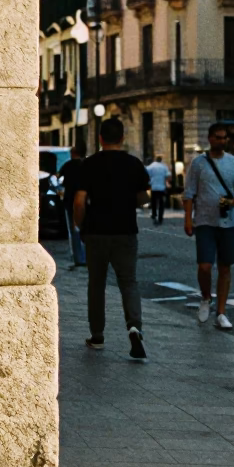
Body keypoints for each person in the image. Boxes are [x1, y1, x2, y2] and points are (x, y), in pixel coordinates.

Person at [74, 118, 151, 359]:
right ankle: (134, 326)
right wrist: (128, 201)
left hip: (96, 231)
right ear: (122, 138)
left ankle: (97, 335)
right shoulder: (134, 164)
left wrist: (80, 226)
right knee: (128, 282)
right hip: (126, 231)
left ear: (100, 138)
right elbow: (144, 197)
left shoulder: (89, 164)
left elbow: (79, 201)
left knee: (96, 284)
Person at [183, 123, 234, 330]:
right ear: (210, 138)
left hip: (229, 223)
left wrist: (233, 202)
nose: (221, 141)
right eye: (218, 137)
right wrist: (187, 218)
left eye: (224, 138)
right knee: (204, 266)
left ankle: (221, 312)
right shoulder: (198, 163)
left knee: (225, 267)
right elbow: (189, 193)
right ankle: (205, 297)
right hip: (204, 222)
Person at [59, 145, 87, 268]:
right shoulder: (87, 165)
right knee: (86, 228)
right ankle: (88, 256)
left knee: (73, 230)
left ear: (73, 153)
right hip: (86, 201)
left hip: (70, 200)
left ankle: (79, 258)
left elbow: (57, 177)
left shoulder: (68, 165)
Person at [147, 155, 171, 225]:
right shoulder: (164, 166)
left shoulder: (151, 166)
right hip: (161, 187)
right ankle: (160, 217)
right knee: (161, 203)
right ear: (161, 160)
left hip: (154, 187)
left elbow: (146, 173)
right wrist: (167, 182)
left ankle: (154, 214)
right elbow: (168, 175)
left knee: (153, 201)